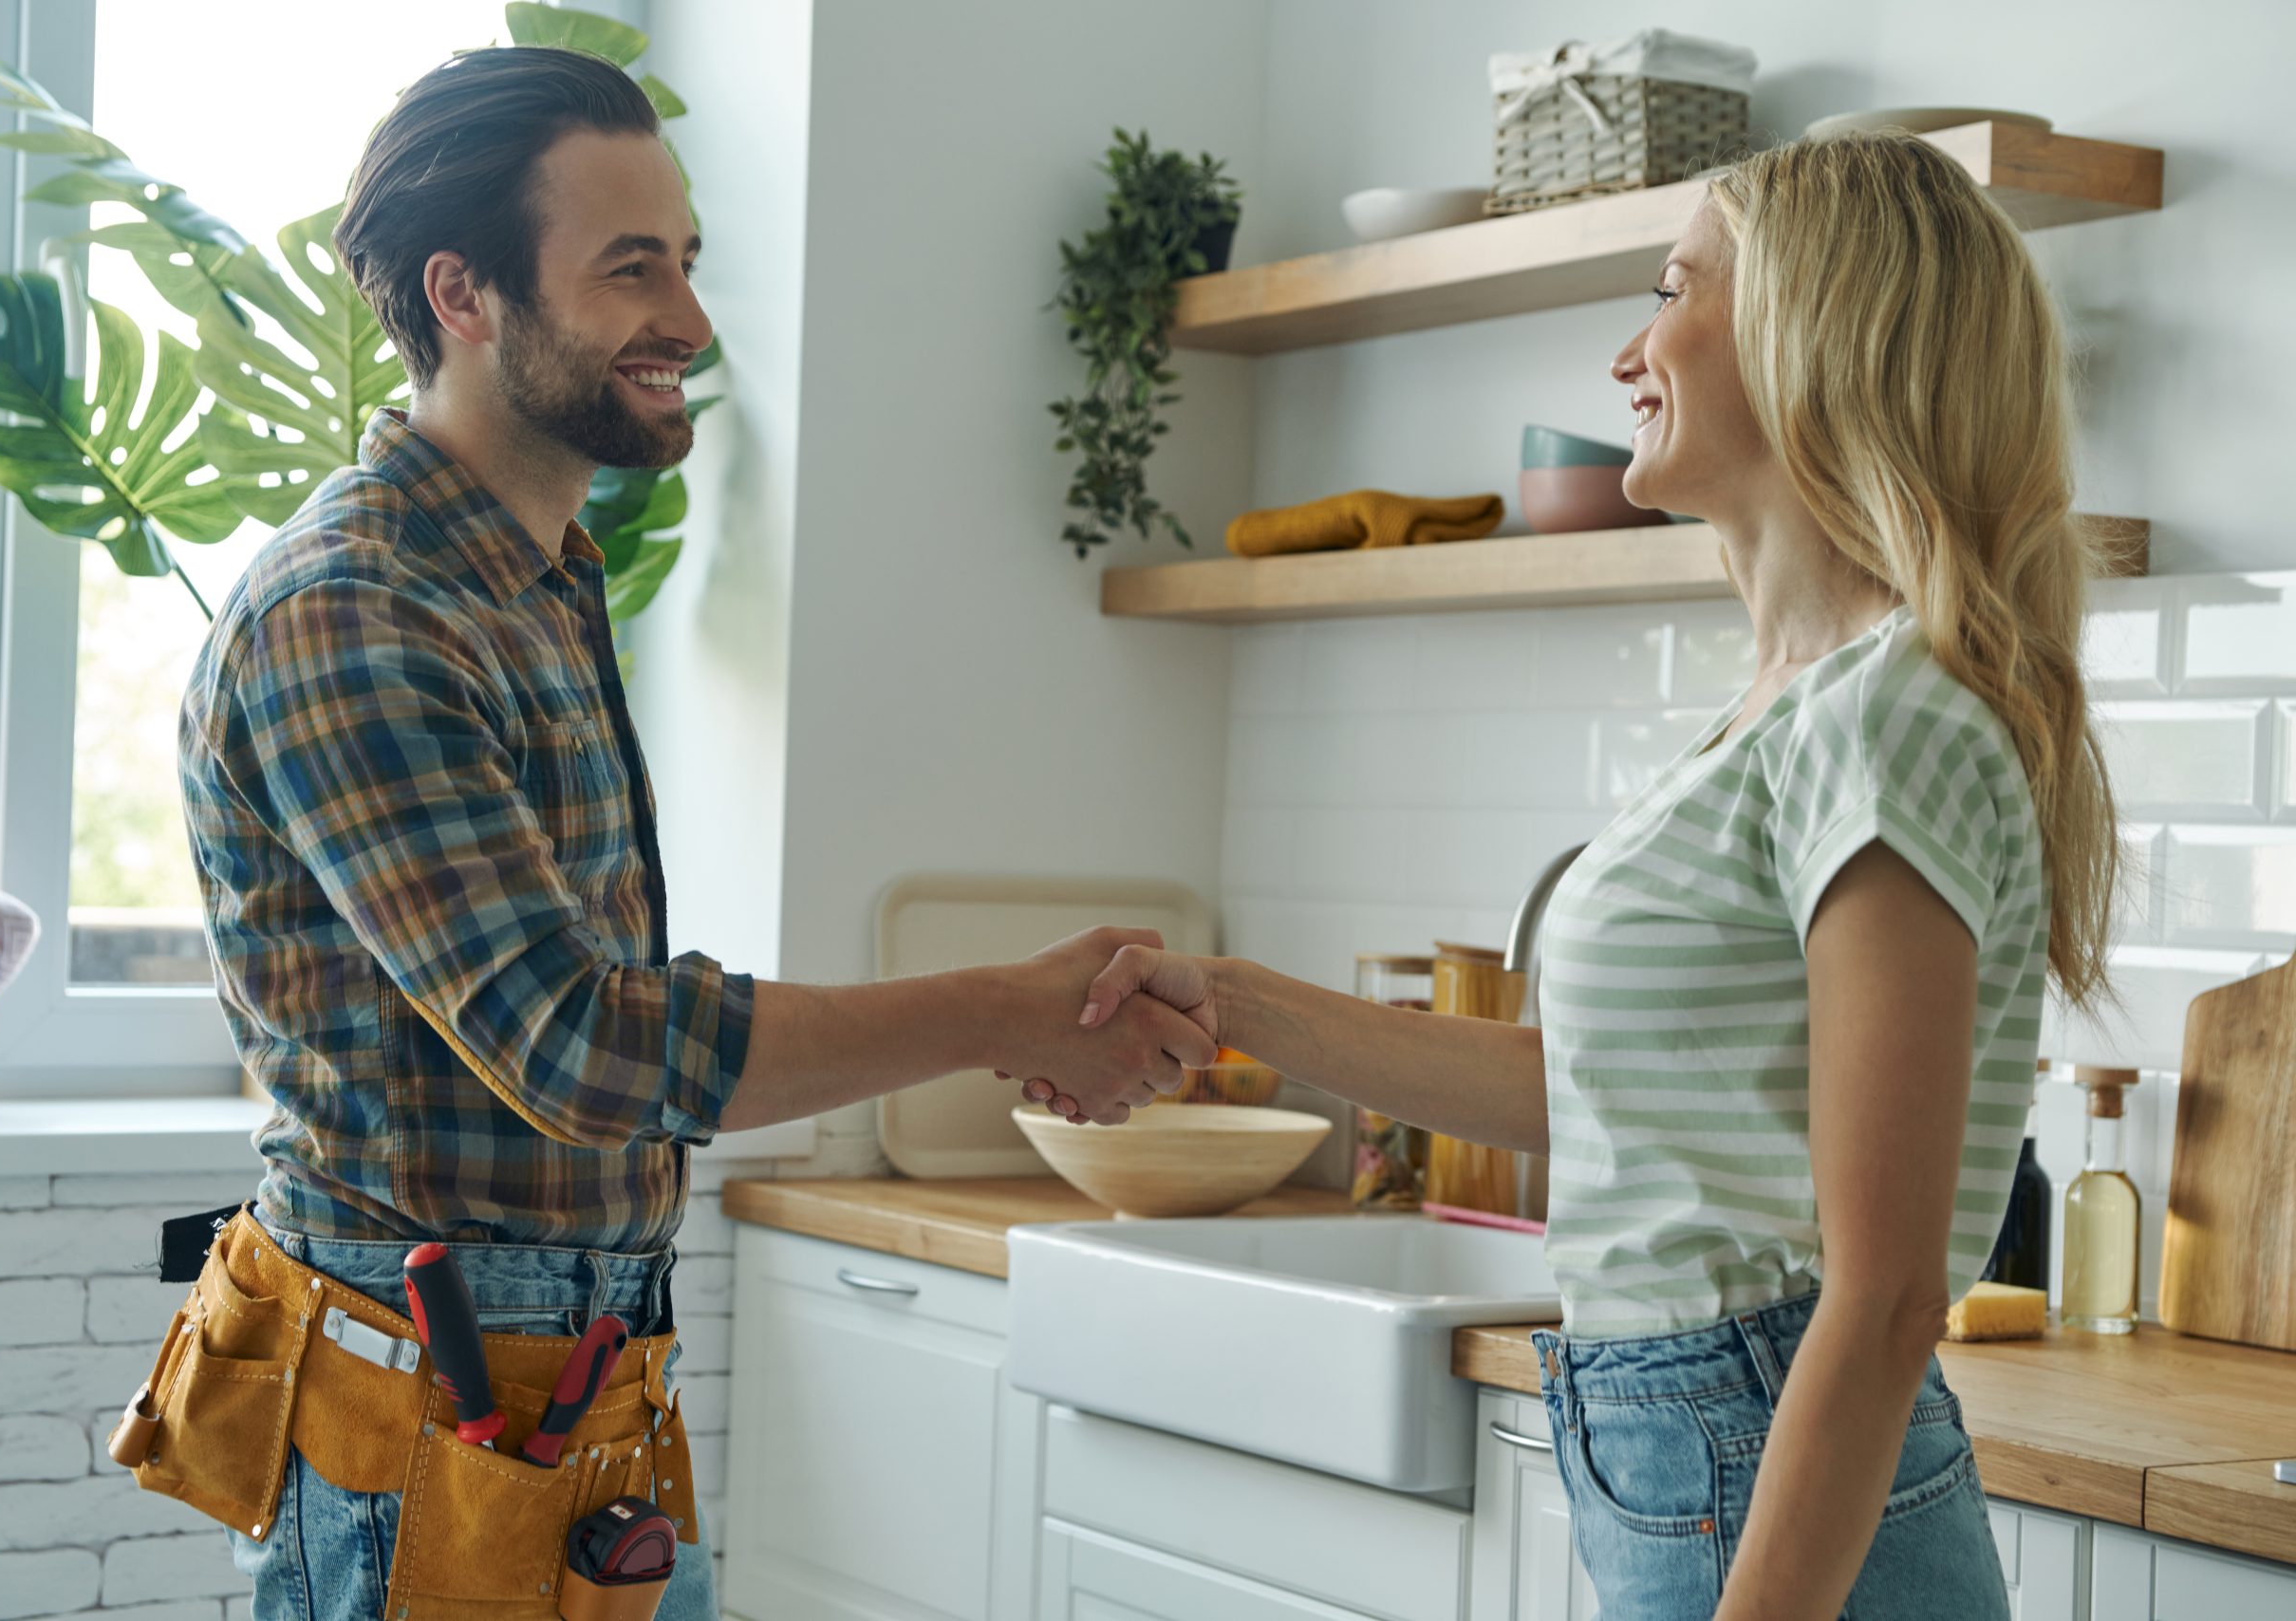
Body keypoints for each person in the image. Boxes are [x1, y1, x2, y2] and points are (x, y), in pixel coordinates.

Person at [170, 47, 1209, 1621]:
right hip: (426, 1406)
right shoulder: (358, 612)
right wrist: (997, 1011)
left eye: (688, 264)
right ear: (465, 294)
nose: (693, 325)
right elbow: (578, 1043)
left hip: (576, 1385)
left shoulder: (534, 578)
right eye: (629, 268)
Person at [1064, 131, 2119, 1621]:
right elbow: (1595, 1094)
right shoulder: (1790, 711)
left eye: (1675, 287)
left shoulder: (1889, 717)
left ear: (1816, 332)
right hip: (1703, 1434)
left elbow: (1881, 1299)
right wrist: (1228, 999)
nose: (1630, 349)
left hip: (1772, 1448)